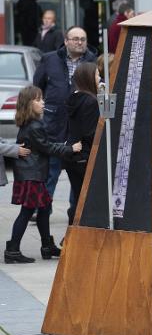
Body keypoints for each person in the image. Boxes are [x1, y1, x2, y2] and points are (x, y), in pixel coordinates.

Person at [5, 86, 81, 264]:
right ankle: (12, 249)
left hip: (32, 174)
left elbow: (44, 144)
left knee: (45, 209)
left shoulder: (30, 124)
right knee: (27, 211)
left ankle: (47, 246)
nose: (43, 102)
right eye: (38, 100)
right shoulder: (35, 126)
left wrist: (62, 145)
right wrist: (71, 148)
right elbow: (47, 147)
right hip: (32, 175)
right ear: (29, 104)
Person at [33, 26, 97, 206]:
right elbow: (38, 87)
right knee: (51, 171)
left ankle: (75, 211)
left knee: (78, 173)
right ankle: (43, 209)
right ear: (66, 41)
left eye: (83, 39)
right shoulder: (50, 59)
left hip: (80, 128)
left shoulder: (92, 61)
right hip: (53, 125)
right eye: (75, 38)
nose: (79, 42)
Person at [64, 62, 100, 226]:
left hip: (73, 156)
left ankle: (71, 236)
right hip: (85, 156)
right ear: (88, 78)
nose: (99, 78)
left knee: (78, 197)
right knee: (85, 201)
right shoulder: (90, 101)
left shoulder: (74, 98)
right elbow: (90, 133)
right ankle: (74, 236)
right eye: (97, 75)